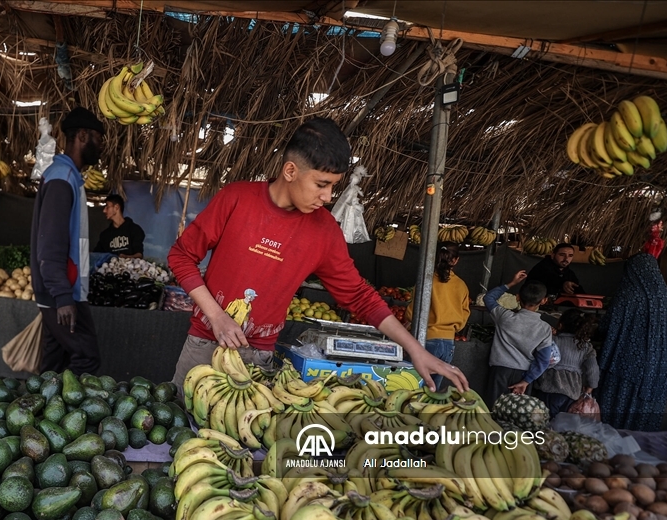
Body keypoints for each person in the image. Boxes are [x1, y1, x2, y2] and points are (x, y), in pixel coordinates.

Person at [166, 117, 467, 393]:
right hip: (204, 343)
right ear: (291, 171)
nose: (327, 197)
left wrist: (416, 350)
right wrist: (216, 316)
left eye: (333, 187)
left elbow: (360, 296)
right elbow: (181, 256)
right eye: (321, 185)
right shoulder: (236, 199)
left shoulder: (325, 231)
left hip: (259, 355)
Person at [30, 107, 105, 375]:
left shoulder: (68, 176)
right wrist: (63, 296)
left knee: (54, 365)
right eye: (98, 138)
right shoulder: (62, 179)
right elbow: (50, 244)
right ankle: (71, 414)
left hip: (62, 290)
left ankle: (35, 411)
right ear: (82, 136)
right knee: (86, 358)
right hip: (61, 292)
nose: (101, 146)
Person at [596, 252, 667, 432]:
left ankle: (614, 441)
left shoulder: (628, 295)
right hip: (659, 365)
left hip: (628, 363)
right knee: (647, 409)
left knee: (619, 403)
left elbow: (608, 326)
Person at [482, 270, 557, 406]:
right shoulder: (545, 328)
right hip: (523, 375)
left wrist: (511, 283)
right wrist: (526, 381)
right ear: (544, 300)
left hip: (499, 371)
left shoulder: (505, 317)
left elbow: (488, 298)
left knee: (493, 411)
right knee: (517, 415)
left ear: (517, 298)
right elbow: (544, 360)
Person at [405, 242, 470, 389]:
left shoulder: (425, 281)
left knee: (415, 388)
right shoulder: (461, 285)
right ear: (456, 260)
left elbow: (411, 313)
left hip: (427, 340)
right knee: (432, 391)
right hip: (448, 344)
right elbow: (465, 314)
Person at [533, 308, 600, 416]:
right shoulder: (586, 347)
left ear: (560, 325)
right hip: (571, 394)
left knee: (543, 424)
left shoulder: (552, 340)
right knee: (563, 426)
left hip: (547, 391)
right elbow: (592, 369)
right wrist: (590, 387)